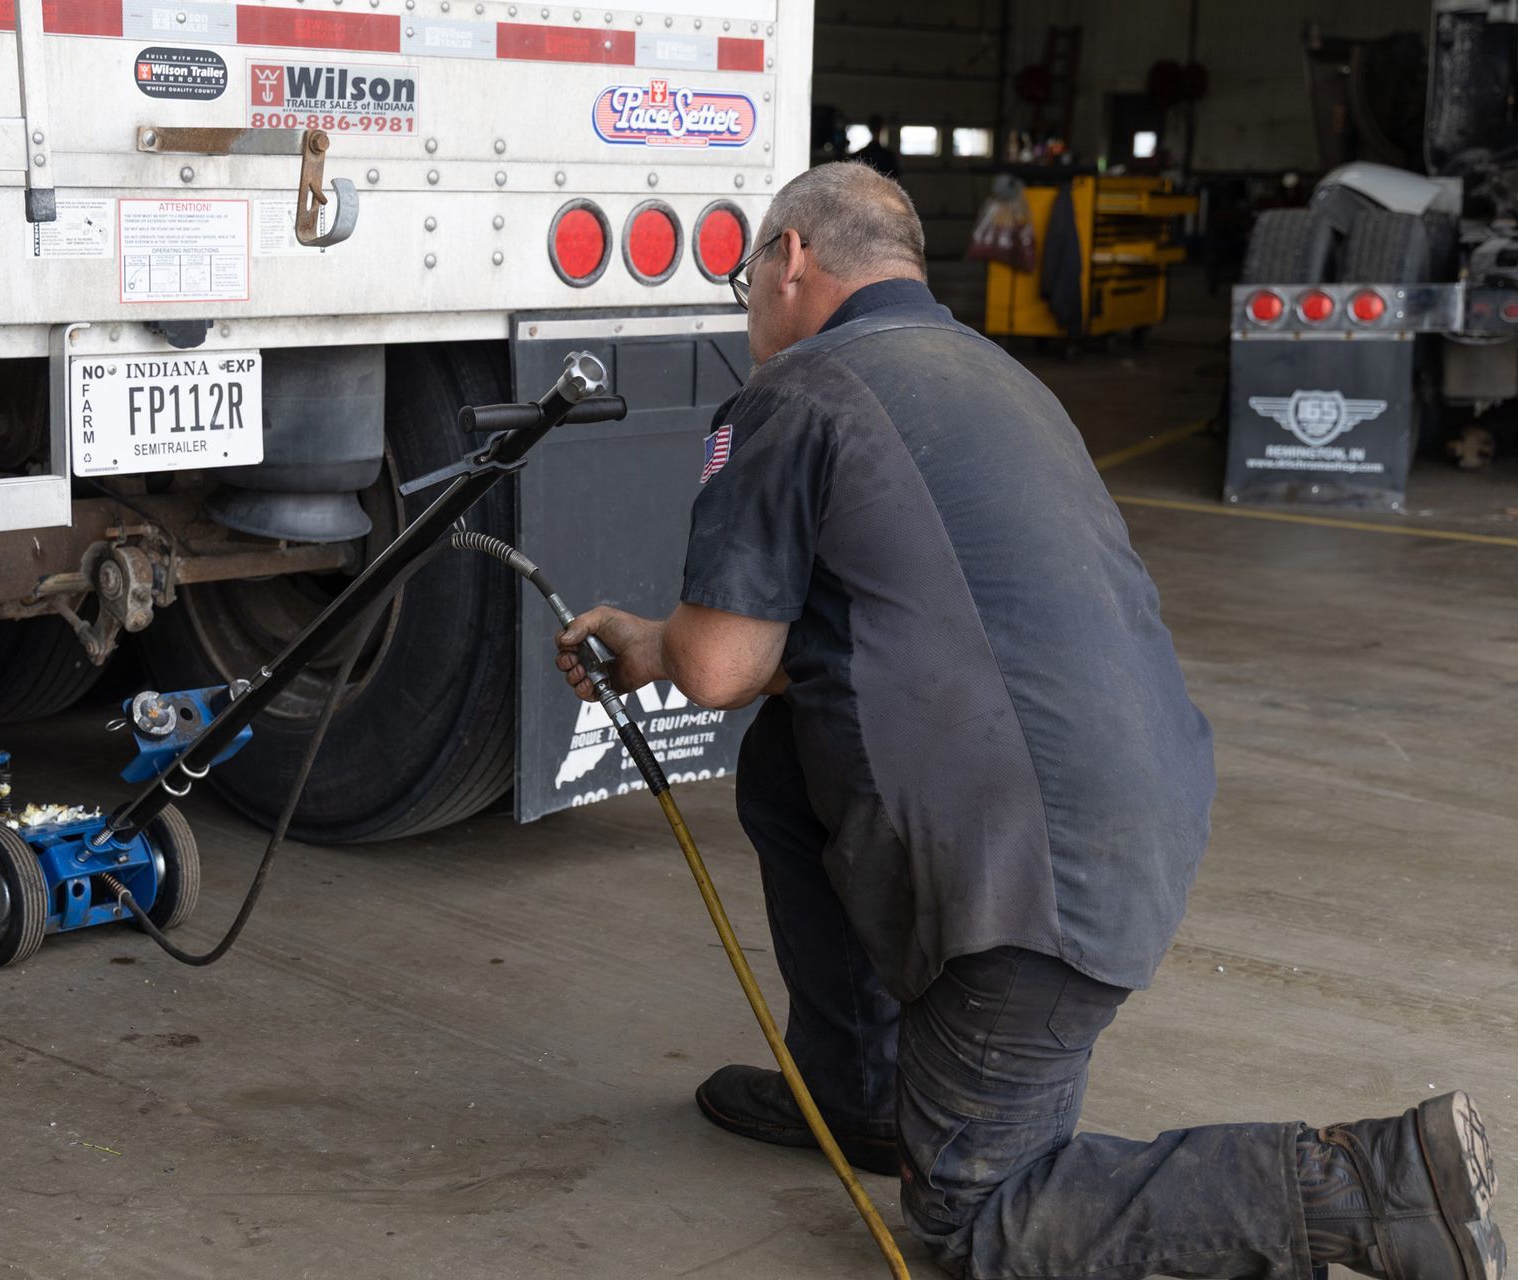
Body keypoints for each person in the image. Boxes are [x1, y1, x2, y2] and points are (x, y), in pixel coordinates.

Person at [554, 162, 1504, 1280]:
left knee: (974, 1216)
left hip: (1031, 892)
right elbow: (875, 632)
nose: (748, 294)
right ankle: (864, 1096)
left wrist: (640, 635)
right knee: (782, 762)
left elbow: (716, 664)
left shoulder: (799, 391)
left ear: (794, 258)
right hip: (1125, 826)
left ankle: (1370, 1186)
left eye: (745, 270)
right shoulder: (993, 376)